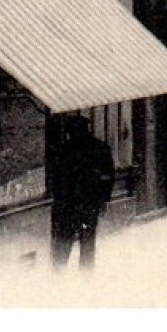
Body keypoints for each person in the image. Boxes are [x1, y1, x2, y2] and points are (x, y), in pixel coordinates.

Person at [49, 114, 114, 271]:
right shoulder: (100, 148)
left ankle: (59, 271)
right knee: (87, 238)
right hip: (89, 202)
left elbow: (56, 177)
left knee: (65, 237)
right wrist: (104, 199)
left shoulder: (64, 150)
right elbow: (107, 176)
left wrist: (58, 198)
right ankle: (85, 274)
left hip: (69, 203)